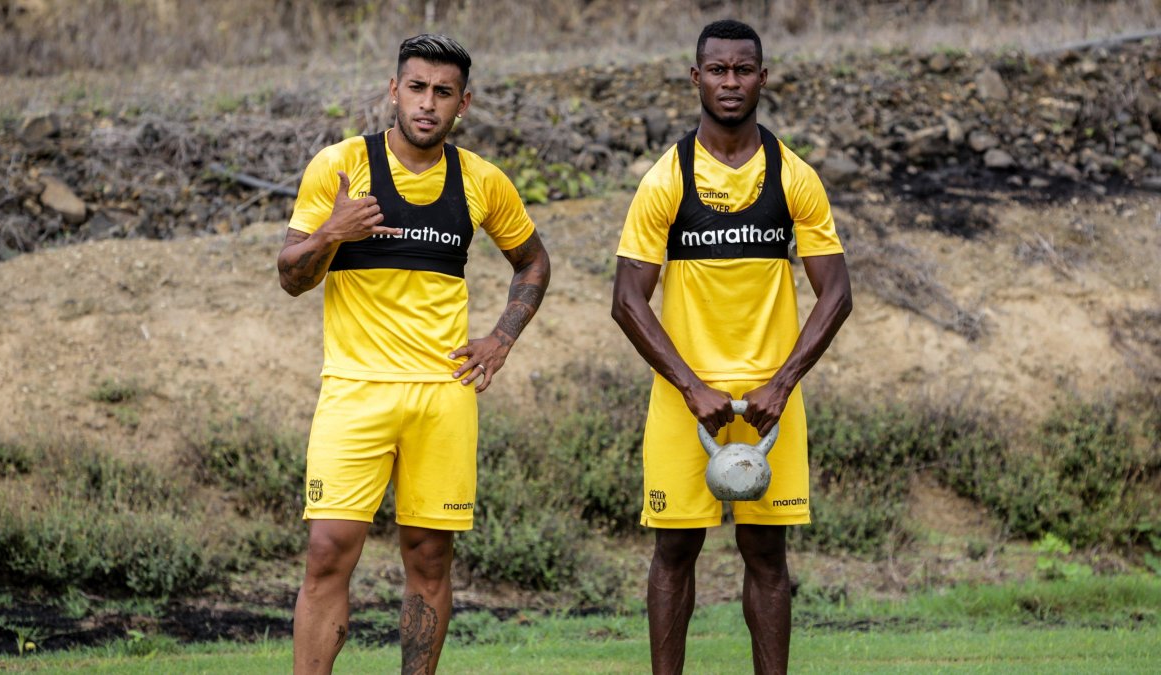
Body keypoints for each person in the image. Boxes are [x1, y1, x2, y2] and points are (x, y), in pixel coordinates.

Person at [277, 33, 550, 675]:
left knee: (430, 558)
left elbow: (533, 262)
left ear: (464, 103)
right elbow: (290, 275)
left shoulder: (481, 180)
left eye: (443, 93)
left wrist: (501, 338)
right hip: (356, 389)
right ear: (393, 91)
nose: (428, 104)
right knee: (327, 551)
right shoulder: (340, 167)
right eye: (417, 88)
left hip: (442, 393)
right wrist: (331, 233)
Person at [610, 19, 852, 675]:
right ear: (696, 78)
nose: (730, 82)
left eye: (743, 69)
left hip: (771, 402)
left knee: (767, 554)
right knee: (674, 553)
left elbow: (837, 293)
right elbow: (626, 299)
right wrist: (692, 386)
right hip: (684, 396)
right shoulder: (666, 179)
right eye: (717, 70)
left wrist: (782, 383)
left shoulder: (793, 176)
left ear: (763, 78)